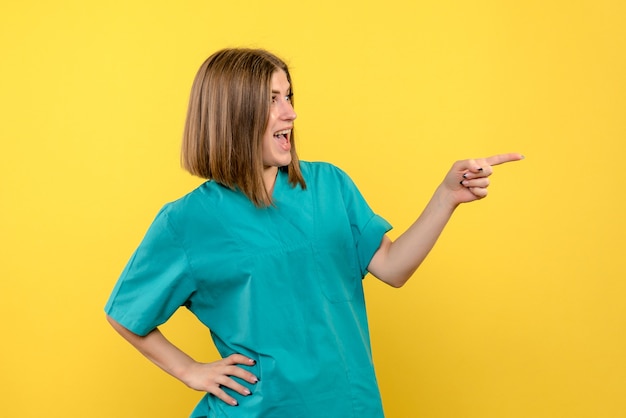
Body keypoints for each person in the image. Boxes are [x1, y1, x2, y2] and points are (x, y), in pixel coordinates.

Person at [105, 48, 523, 418]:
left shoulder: (329, 186)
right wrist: (188, 370)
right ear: (232, 113)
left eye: (289, 96)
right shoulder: (189, 221)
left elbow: (393, 267)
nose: (290, 112)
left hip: (350, 405)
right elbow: (125, 312)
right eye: (272, 100)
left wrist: (446, 197)